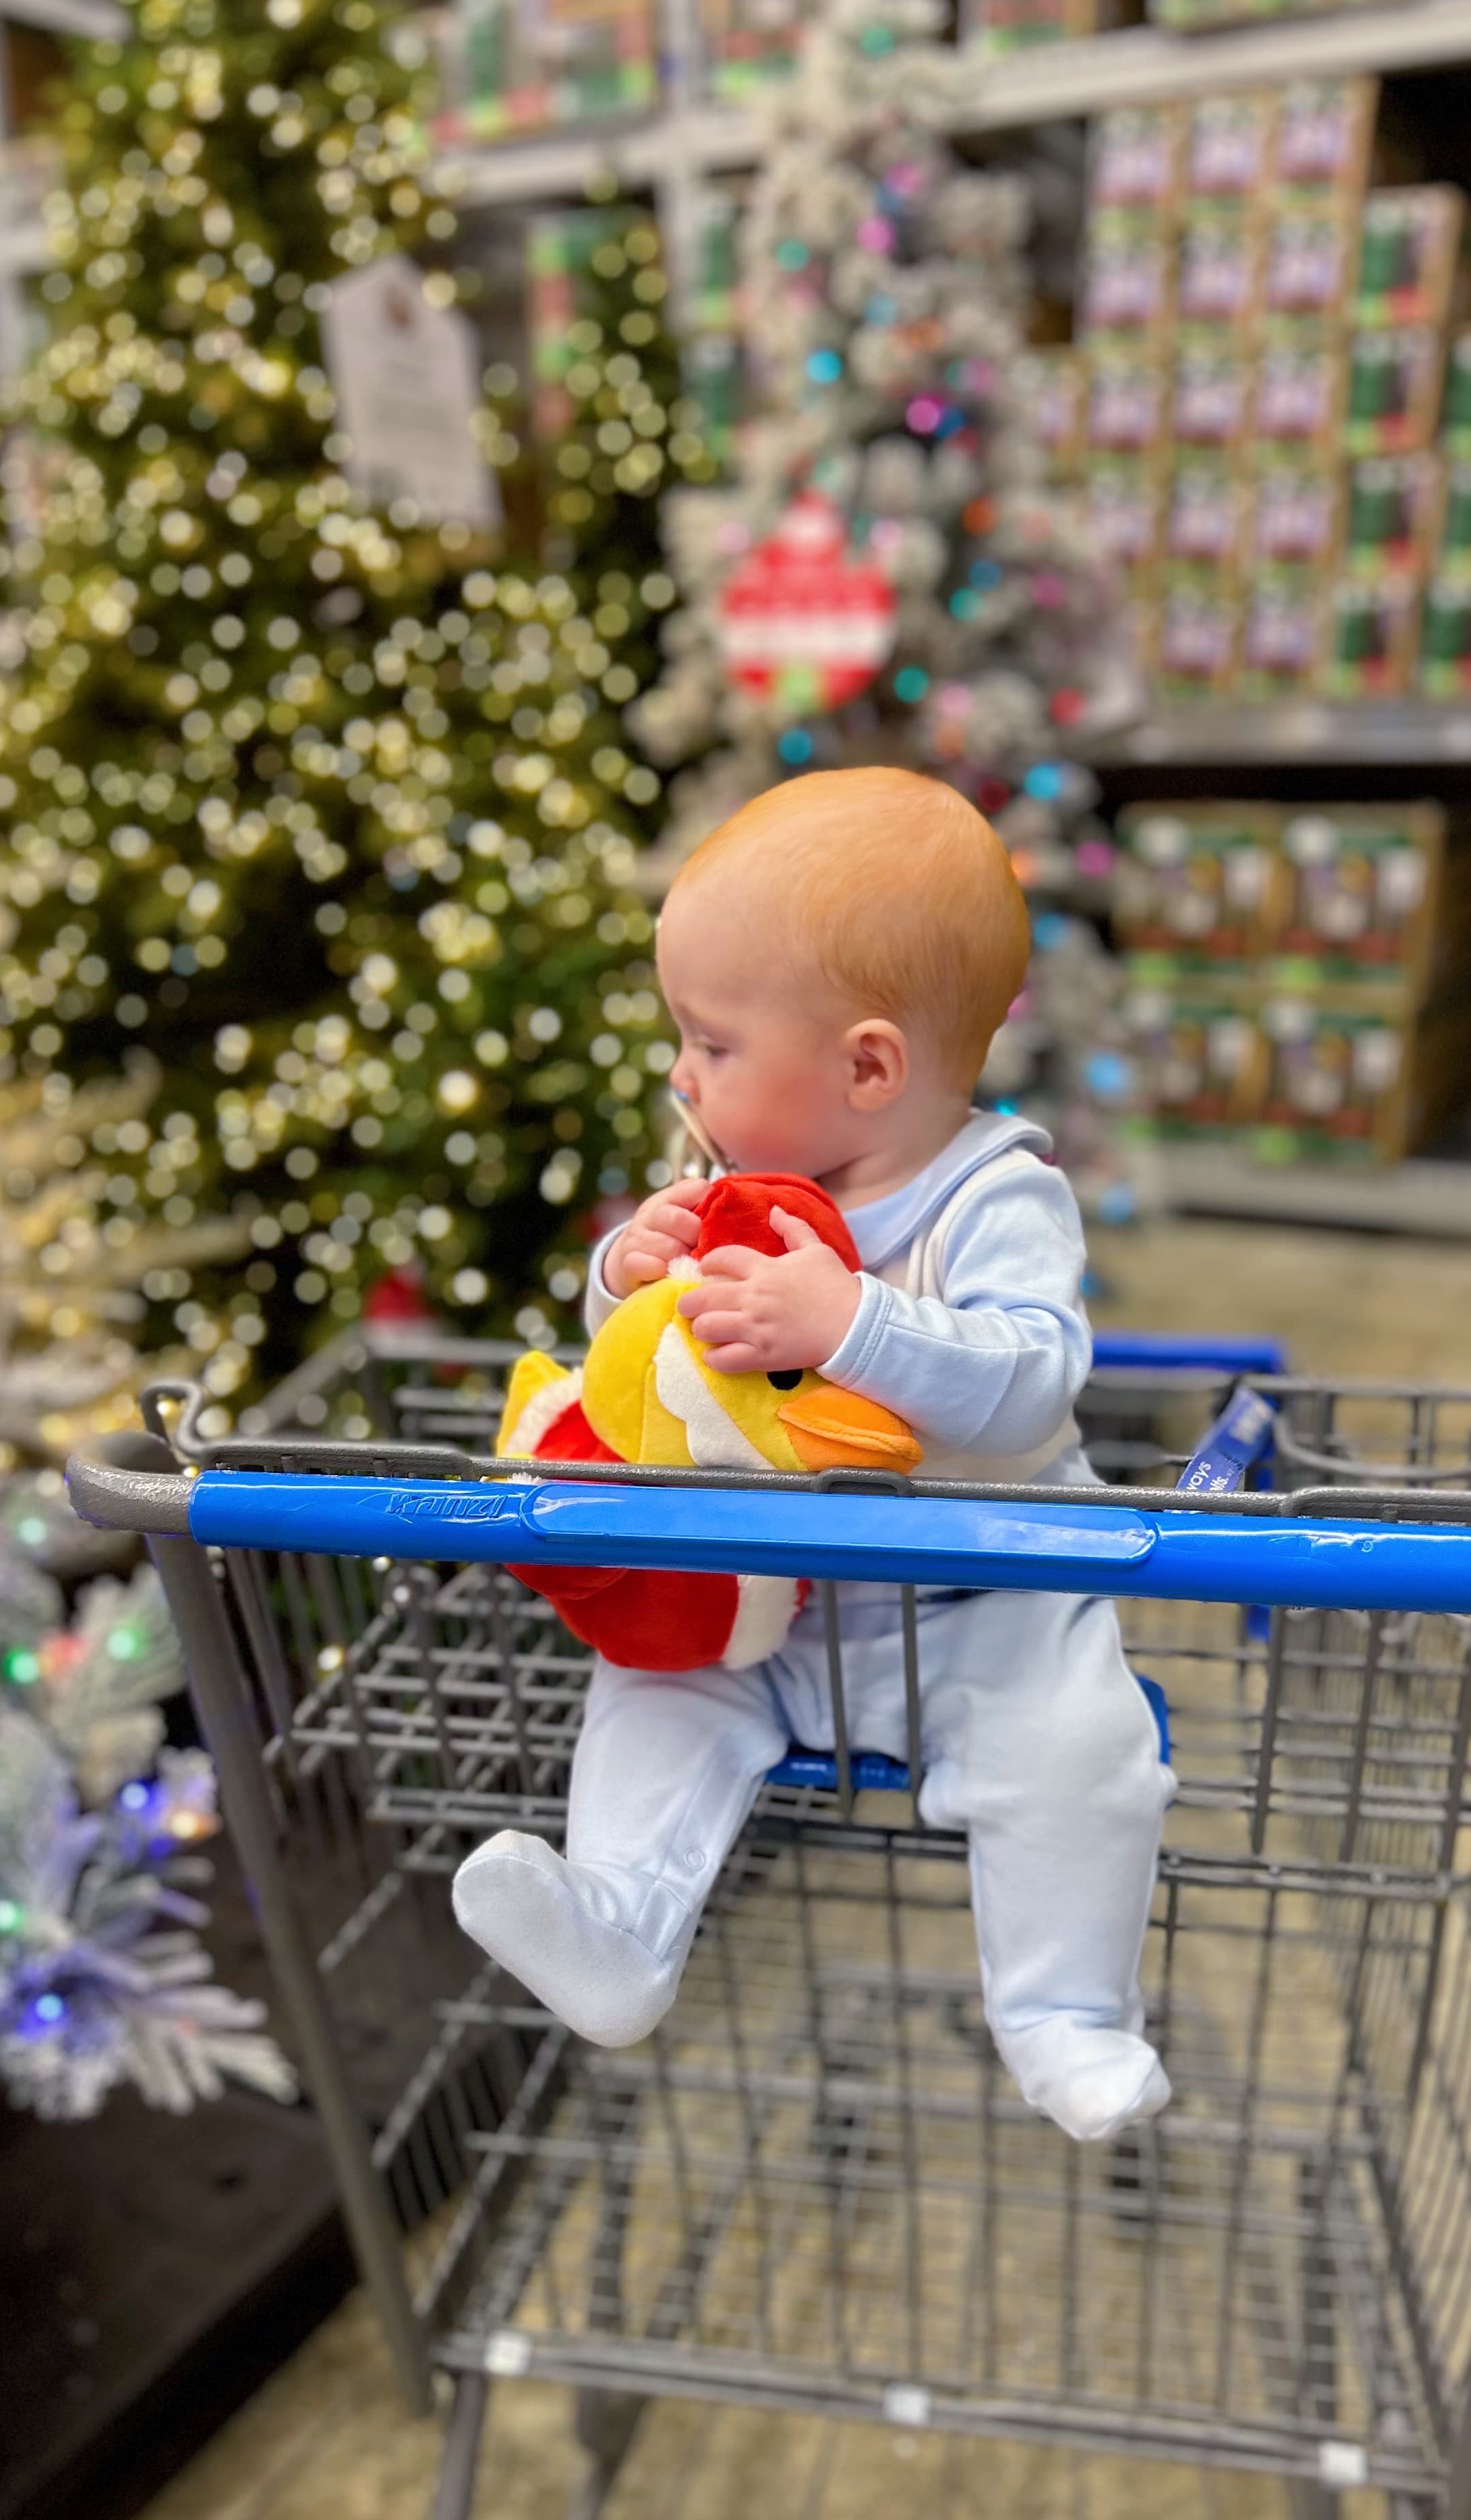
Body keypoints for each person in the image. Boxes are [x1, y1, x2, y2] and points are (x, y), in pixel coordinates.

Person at [453, 767, 1172, 2143]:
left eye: (710, 1041)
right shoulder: (722, 1186)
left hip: (981, 1605)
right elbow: (648, 1371)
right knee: (650, 1691)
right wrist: (629, 1272)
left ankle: (1061, 2013)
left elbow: (1031, 1381)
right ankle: (620, 1926)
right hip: (769, 1604)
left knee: (1082, 1751)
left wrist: (853, 1322)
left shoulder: (990, 1191)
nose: (682, 1070)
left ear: (866, 1065)